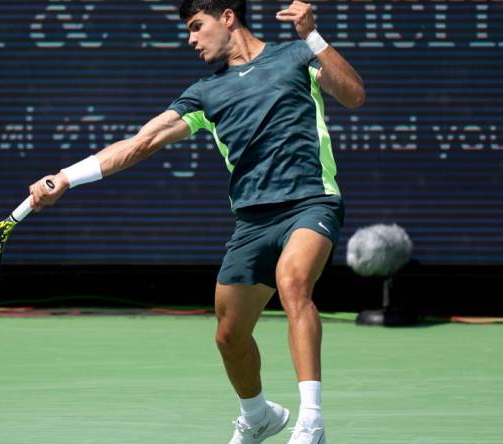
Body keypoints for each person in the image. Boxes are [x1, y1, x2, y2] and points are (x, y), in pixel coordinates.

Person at [28, 1, 365, 442]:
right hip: (251, 222)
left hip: (310, 202)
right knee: (229, 336)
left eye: (196, 26)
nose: (191, 39)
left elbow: (354, 94)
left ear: (228, 17)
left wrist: (312, 37)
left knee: (293, 283)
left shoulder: (296, 57)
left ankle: (311, 422)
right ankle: (259, 415)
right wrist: (67, 177)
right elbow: (141, 141)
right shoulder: (206, 93)